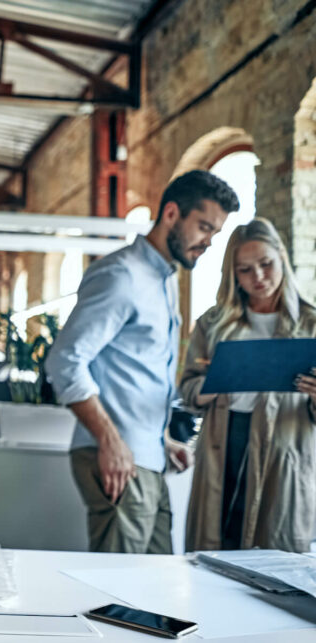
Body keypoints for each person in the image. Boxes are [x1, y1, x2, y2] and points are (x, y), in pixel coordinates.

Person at [45, 170, 239, 554]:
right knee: (120, 586)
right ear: (171, 213)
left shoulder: (163, 279)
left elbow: (133, 371)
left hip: (146, 457)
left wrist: (160, 440)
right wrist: (111, 441)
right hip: (120, 456)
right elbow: (64, 361)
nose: (208, 242)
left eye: (215, 233)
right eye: (204, 227)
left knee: (156, 580)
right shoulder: (122, 275)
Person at [180, 218, 316, 552]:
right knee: (216, 546)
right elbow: (187, 390)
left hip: (284, 447)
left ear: (281, 257)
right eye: (245, 269)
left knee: (275, 553)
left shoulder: (311, 324)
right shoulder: (212, 323)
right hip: (224, 441)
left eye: (266, 264)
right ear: (233, 274)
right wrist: (217, 380)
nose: (258, 277)